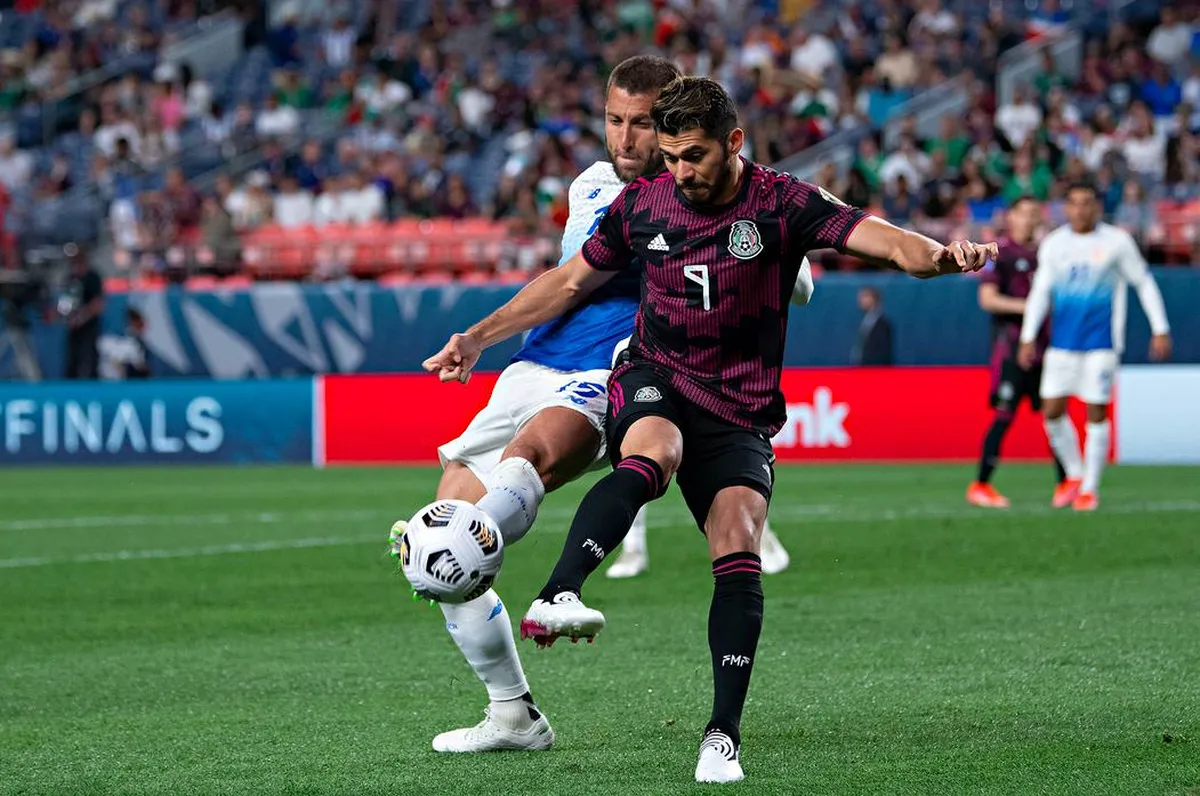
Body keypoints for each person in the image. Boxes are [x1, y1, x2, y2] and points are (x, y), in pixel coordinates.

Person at [423, 76, 996, 784]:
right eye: (670, 156)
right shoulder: (641, 202)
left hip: (740, 405)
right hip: (653, 375)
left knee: (738, 540)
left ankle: (722, 735)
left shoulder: (784, 203)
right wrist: (478, 336)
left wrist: (939, 256)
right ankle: (559, 591)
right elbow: (569, 281)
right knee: (652, 449)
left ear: (733, 143)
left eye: (692, 156)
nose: (679, 172)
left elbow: (884, 241)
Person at [392, 56, 803, 755]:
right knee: (444, 547)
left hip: (615, 371)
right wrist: (478, 338)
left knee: (526, 463)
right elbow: (565, 283)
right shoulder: (590, 186)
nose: (625, 138)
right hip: (534, 365)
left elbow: (785, 267)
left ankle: (542, 574)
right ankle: (513, 714)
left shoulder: (711, 191)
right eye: (615, 120)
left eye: (642, 124)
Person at [1018, 182, 1172, 511]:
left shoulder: (1116, 242)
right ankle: (1074, 474)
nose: (1080, 209)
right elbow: (1041, 292)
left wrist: (1160, 328)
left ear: (1097, 207)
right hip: (1062, 343)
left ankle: (1090, 487)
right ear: (1066, 208)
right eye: (1074, 203)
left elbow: (1143, 282)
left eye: (1087, 203)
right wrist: (1028, 335)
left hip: (1101, 343)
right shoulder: (1055, 244)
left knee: (1096, 412)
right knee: (1052, 411)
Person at [968, 197, 1071, 508]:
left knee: (1055, 417)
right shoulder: (999, 253)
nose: (1029, 219)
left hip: (1045, 350)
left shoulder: (1047, 255)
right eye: (1024, 213)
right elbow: (987, 299)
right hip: (1011, 349)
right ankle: (981, 485)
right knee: (1004, 415)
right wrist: (1030, 307)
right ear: (1011, 217)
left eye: (1034, 214)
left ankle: (1067, 483)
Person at [61, 244, 105, 380]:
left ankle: (92, 387)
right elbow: (65, 301)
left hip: (89, 325)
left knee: (90, 357)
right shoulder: (70, 279)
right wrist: (66, 316)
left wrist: (82, 316)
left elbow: (98, 303)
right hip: (73, 326)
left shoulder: (92, 277)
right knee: (72, 358)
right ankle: (70, 387)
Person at [851, 286, 893, 365]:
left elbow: (884, 352)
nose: (860, 300)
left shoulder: (883, 324)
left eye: (864, 297)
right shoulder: (865, 321)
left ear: (873, 299)